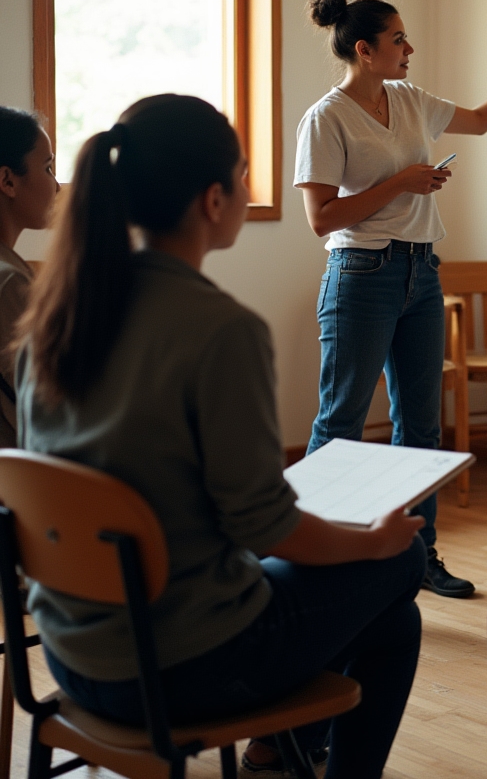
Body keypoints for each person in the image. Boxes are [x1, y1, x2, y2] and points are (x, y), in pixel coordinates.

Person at [16, 95, 426, 779]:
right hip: (182, 666)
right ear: (214, 199)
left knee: (389, 618)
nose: (245, 189)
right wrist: (372, 541)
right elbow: (266, 528)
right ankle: (300, 751)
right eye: (242, 174)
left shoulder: (52, 323)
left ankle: (281, 749)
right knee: (400, 567)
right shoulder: (221, 331)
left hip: (72, 656)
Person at [296, 0, 487, 598]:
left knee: (420, 427)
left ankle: (417, 558)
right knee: (340, 421)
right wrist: (404, 182)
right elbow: (322, 218)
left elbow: (476, 119)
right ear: (365, 50)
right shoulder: (327, 116)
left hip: (422, 274)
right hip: (360, 275)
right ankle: (314, 557)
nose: (409, 48)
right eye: (398, 39)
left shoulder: (409, 100)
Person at [0, 108, 59, 447]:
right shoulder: (10, 285)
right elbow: (45, 413)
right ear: (8, 181)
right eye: (48, 167)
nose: (55, 183)